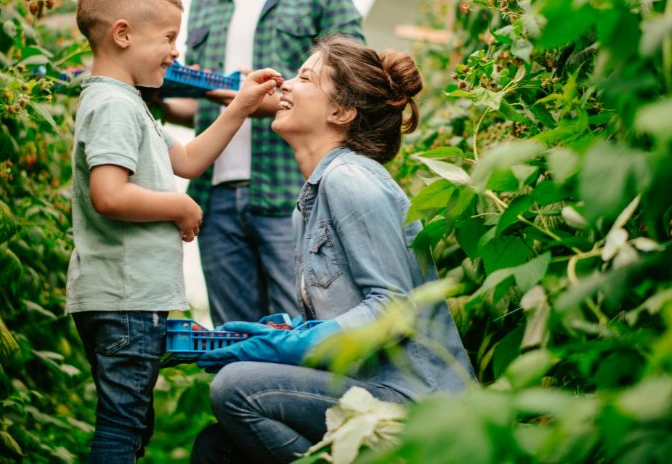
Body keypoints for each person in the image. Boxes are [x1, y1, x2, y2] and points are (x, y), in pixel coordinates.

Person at [190, 36, 476, 463]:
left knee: (235, 388)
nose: (285, 85)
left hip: (413, 402)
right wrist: (278, 334)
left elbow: (391, 310)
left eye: (304, 77)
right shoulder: (313, 199)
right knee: (217, 448)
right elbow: (348, 316)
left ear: (340, 112)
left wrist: (282, 349)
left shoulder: (350, 180)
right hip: (371, 390)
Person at [67, 0, 282, 462]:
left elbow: (185, 160)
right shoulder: (115, 107)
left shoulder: (129, 105)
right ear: (122, 34)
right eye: (167, 37)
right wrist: (181, 205)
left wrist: (240, 106)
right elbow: (110, 194)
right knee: (122, 428)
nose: (175, 51)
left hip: (122, 294)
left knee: (131, 423)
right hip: (126, 296)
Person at [158, 0, 365, 326]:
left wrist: (234, 95)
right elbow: (200, 107)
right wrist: (157, 99)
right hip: (215, 195)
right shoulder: (205, 2)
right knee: (237, 341)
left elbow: (352, 95)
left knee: (306, 333)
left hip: (293, 195)